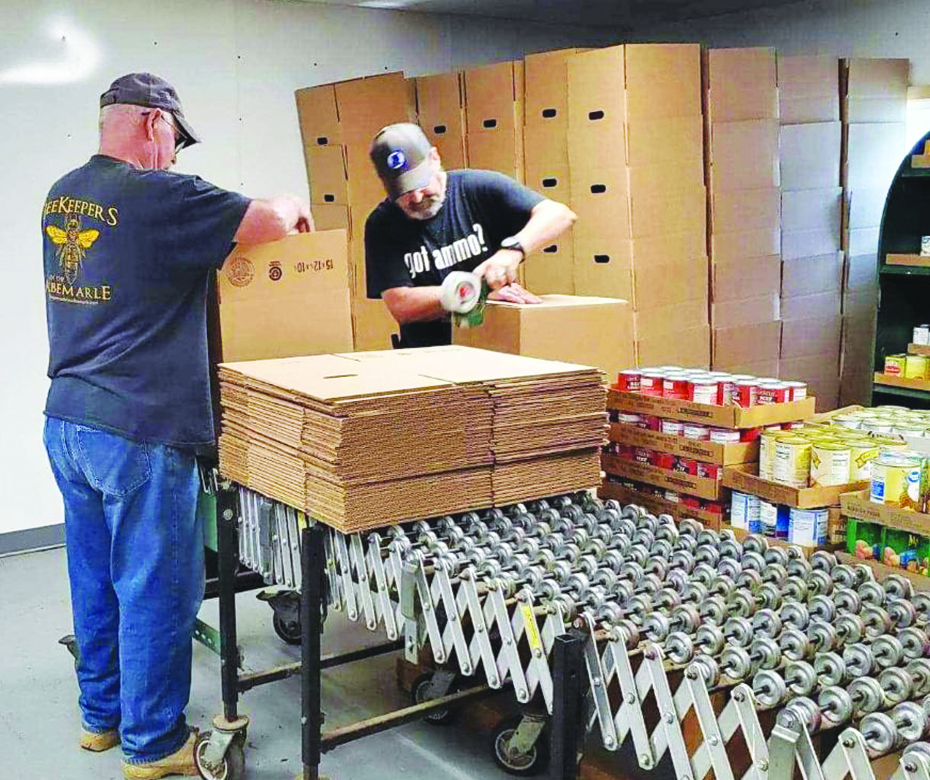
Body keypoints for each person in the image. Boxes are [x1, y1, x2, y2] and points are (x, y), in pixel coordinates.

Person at [41, 73, 313, 780]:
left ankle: (101, 720)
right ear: (154, 124)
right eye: (175, 139)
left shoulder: (63, 194)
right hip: (140, 430)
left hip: (69, 421)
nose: (176, 154)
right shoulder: (159, 195)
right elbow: (271, 222)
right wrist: (291, 204)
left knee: (95, 580)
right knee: (157, 589)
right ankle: (155, 742)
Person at [365, 123, 576, 348]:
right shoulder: (382, 224)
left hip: (497, 349)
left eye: (421, 183)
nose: (416, 198)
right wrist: (475, 290)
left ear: (434, 158)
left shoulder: (478, 188)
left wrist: (511, 252)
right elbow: (402, 305)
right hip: (427, 358)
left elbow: (559, 214)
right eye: (403, 191)